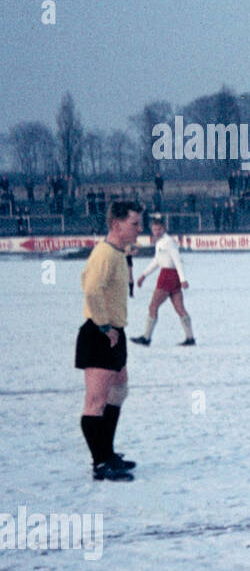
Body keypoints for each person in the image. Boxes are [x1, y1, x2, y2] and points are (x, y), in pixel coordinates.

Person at [76, 200, 143, 481]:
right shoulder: (104, 253)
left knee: (119, 392)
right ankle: (100, 463)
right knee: (96, 401)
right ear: (117, 225)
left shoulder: (117, 252)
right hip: (100, 334)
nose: (139, 229)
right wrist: (104, 326)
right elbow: (90, 289)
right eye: (134, 224)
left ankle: (108, 452)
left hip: (115, 332)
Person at [131, 214, 195, 346]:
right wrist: (144, 275)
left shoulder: (168, 242)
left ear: (164, 229)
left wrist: (183, 279)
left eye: (159, 229)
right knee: (179, 308)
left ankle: (147, 337)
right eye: (154, 230)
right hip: (170, 276)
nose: (157, 232)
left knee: (153, 306)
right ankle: (190, 338)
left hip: (168, 276)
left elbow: (177, 260)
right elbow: (157, 260)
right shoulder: (160, 242)